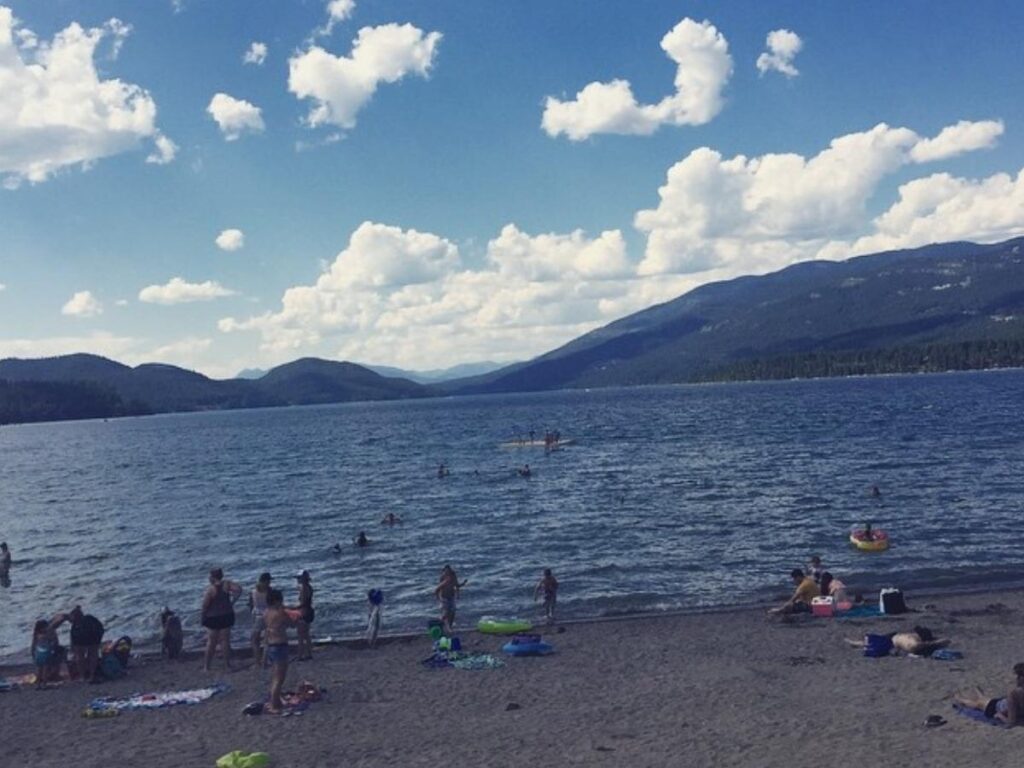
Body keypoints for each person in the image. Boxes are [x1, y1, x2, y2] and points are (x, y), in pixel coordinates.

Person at [954, 663, 1024, 726]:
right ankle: (980, 694)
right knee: (985, 701)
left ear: (1019, 678)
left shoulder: (1014, 693)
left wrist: (1000, 716)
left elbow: (1011, 722)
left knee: (978, 704)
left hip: (995, 707)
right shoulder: (1017, 693)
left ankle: (960, 699)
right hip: (1000, 704)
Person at [262, 588, 296, 714]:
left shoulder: (266, 612)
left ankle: (275, 702)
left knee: (275, 676)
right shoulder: (280, 613)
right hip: (280, 645)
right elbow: (292, 624)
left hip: (271, 645)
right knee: (279, 678)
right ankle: (274, 705)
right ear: (276, 601)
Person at [201, 567, 241, 671]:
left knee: (211, 642)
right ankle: (227, 665)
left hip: (213, 617)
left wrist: (203, 616)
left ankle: (207, 666)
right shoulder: (227, 584)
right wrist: (233, 601)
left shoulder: (211, 589)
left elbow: (205, 605)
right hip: (226, 615)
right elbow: (239, 589)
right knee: (225, 641)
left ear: (212, 577)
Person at [844, 627, 950, 655]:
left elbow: (926, 644)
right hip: (892, 638)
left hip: (891, 643)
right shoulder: (914, 639)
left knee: (870, 644)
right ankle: (855, 643)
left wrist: (938, 642)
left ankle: (855, 644)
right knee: (869, 640)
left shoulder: (915, 643)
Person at [66, 606, 104, 683]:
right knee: (84, 656)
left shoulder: (88, 621)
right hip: (87, 638)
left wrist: (72, 646)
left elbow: (98, 629)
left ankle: (87, 675)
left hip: (91, 637)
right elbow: (73, 636)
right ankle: (86, 675)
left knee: (88, 655)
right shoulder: (80, 623)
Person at [30, 616, 66, 688]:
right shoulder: (47, 634)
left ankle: (38, 684)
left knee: (40, 669)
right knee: (45, 669)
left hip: (38, 653)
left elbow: (33, 645)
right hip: (45, 653)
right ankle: (44, 684)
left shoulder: (36, 634)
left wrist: (33, 653)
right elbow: (53, 642)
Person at [248, 572, 272, 667]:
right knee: (267, 640)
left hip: (258, 615)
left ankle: (257, 661)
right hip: (268, 615)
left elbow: (251, 605)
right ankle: (264, 661)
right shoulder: (269, 591)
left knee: (254, 640)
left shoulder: (253, 591)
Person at [435, 565, 466, 635]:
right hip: (444, 598)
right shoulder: (443, 579)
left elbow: (457, 586)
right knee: (446, 613)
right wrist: (439, 599)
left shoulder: (453, 577)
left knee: (453, 612)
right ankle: (443, 625)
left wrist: (459, 591)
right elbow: (437, 590)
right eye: (446, 572)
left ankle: (449, 626)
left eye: (448, 572)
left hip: (451, 597)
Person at [293, 570, 314, 661]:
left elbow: (302, 603)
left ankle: (300, 655)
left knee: (300, 635)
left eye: (299, 578)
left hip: (303, 612)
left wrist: (292, 608)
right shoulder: (309, 587)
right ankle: (309, 653)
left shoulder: (303, 589)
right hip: (309, 611)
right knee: (306, 634)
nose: (298, 580)